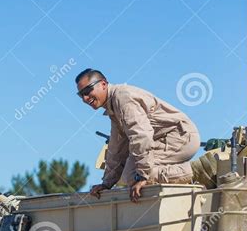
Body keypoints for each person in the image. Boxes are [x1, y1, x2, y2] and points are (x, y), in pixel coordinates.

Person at [76, 69, 201, 202]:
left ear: (103, 84)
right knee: (127, 175)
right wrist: (107, 183)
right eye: (80, 95)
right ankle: (185, 175)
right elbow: (116, 148)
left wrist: (142, 176)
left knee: (133, 175)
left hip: (181, 137)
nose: (85, 98)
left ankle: (198, 170)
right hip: (172, 138)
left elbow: (141, 137)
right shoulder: (114, 107)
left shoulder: (123, 98)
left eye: (87, 91)